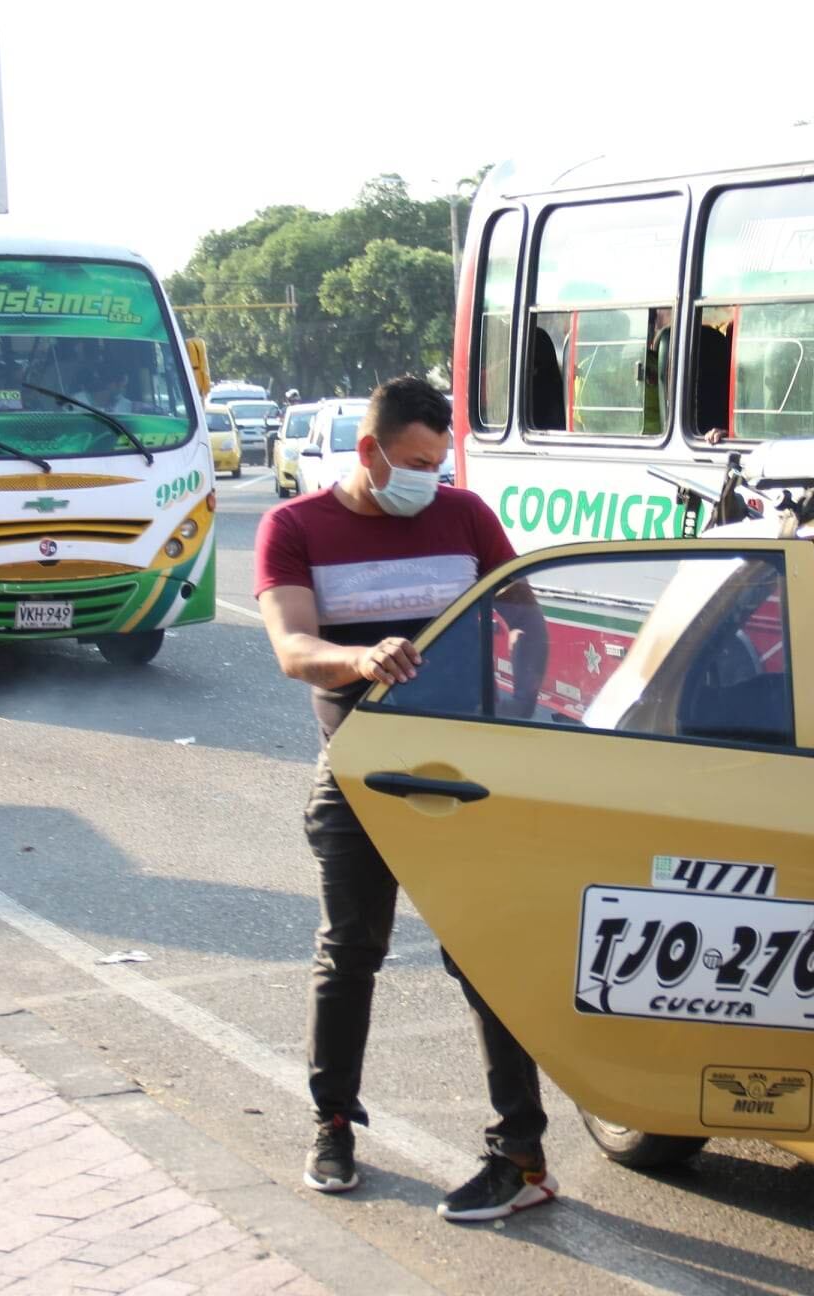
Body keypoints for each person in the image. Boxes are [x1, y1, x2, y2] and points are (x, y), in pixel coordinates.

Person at [253, 375, 557, 1222]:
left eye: (440, 460)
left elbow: (528, 618)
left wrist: (520, 718)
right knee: (350, 951)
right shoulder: (294, 526)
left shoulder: (464, 516)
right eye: (417, 462)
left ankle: (522, 1152)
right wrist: (358, 660)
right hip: (359, 769)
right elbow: (291, 646)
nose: (433, 476)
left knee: (482, 955)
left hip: (464, 772)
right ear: (369, 451)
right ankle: (334, 1123)